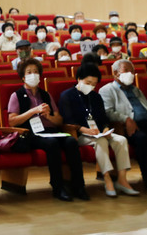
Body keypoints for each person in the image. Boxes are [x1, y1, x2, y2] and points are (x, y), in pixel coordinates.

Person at [7, 59, 88, 201]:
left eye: (36, 72)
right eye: (29, 72)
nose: (33, 75)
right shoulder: (16, 95)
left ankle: (78, 185)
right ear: (23, 77)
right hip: (31, 133)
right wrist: (33, 111)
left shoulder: (46, 95)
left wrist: (49, 117)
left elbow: (59, 120)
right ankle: (58, 187)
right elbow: (12, 121)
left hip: (50, 130)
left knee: (71, 141)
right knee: (51, 144)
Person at [58, 63, 139, 197]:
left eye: (94, 84)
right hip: (81, 134)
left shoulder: (95, 97)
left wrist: (106, 128)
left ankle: (122, 179)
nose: (91, 86)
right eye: (88, 82)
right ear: (79, 79)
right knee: (100, 141)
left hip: (99, 132)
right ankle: (107, 179)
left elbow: (102, 118)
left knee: (121, 140)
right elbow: (68, 120)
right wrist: (85, 130)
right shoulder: (67, 96)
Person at [99, 59, 147, 193]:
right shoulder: (107, 90)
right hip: (129, 127)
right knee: (142, 139)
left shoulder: (136, 90)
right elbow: (107, 112)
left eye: (132, 71)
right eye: (126, 71)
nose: (131, 74)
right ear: (116, 73)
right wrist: (125, 118)